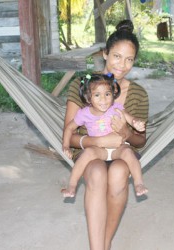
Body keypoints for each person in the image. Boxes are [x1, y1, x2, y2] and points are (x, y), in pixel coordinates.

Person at [63, 19, 149, 250]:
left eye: (129, 59)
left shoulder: (138, 94)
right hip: (88, 151)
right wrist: (97, 141)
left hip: (121, 151)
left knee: (120, 172)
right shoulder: (82, 86)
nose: (122, 65)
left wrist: (125, 132)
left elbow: (141, 140)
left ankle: (106, 241)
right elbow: (69, 135)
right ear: (105, 53)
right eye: (116, 56)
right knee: (99, 174)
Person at [62, 73, 148, 198]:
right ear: (88, 98)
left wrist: (137, 124)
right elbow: (69, 128)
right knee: (86, 155)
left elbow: (131, 119)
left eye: (107, 94)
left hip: (118, 148)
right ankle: (72, 185)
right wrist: (65, 145)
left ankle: (139, 183)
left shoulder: (116, 108)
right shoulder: (84, 113)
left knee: (128, 153)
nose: (103, 99)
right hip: (99, 150)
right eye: (97, 95)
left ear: (113, 95)